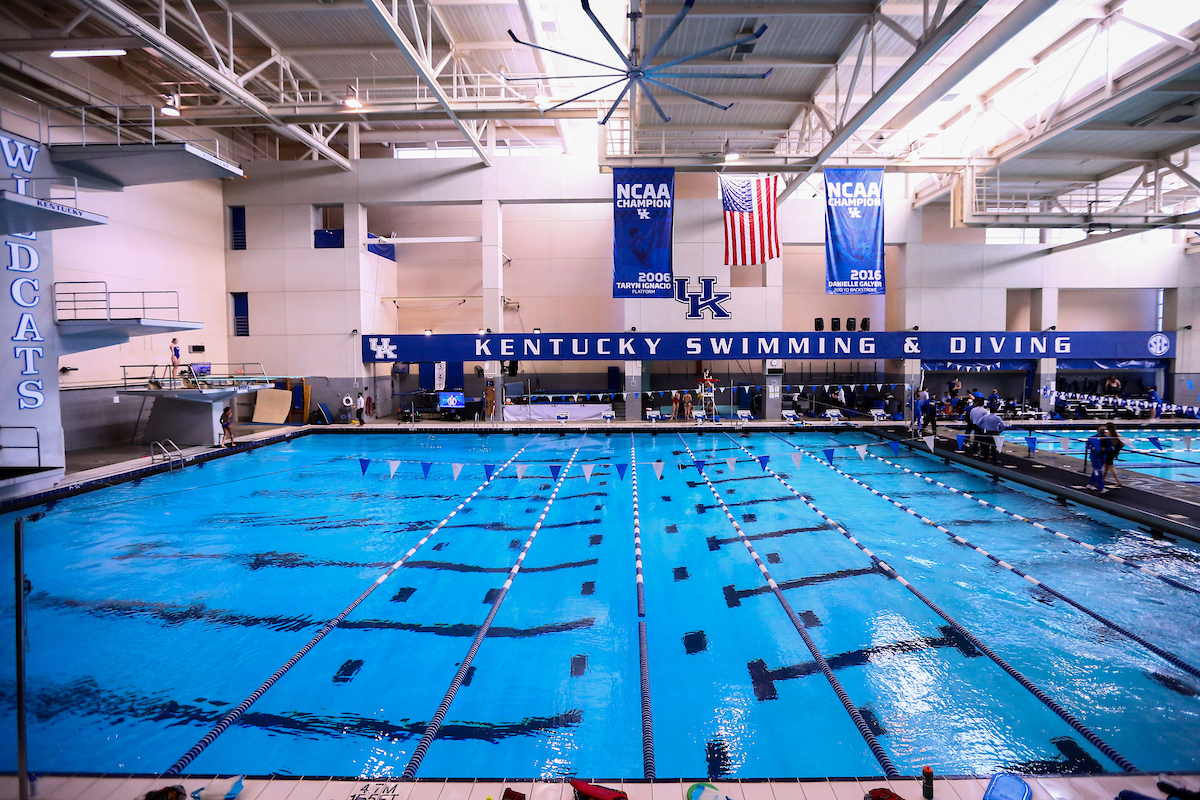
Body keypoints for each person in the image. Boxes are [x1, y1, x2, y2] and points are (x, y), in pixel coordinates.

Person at [1085, 425, 1112, 491]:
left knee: (1096, 471)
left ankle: (1090, 484)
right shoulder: (1092, 438)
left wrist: (1104, 449)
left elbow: (1112, 448)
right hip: (1095, 457)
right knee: (1098, 471)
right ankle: (1102, 488)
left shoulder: (1107, 438)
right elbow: (1086, 445)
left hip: (1102, 456)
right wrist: (1092, 448)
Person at [1104, 421, 1124, 488]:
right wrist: (1117, 451)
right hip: (1114, 451)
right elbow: (1122, 444)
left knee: (1110, 466)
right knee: (1106, 465)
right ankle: (1103, 479)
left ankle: (1118, 481)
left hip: (1109, 451)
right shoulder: (1118, 435)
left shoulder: (1107, 434)